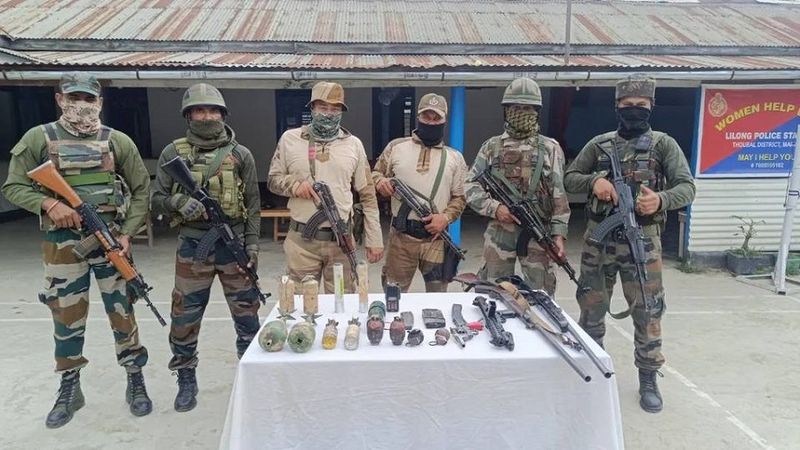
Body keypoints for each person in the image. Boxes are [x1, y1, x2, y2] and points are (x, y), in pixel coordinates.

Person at [1, 72, 152, 427]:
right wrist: (48, 204)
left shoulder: (117, 141)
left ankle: (135, 378)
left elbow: (141, 190)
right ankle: (70, 385)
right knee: (66, 315)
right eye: (74, 97)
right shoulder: (39, 137)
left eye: (88, 98)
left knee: (123, 311)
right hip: (62, 245)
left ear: (99, 102)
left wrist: (128, 233)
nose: (81, 105)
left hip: (110, 240)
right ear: (60, 99)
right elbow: (13, 186)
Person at [564, 74, 696, 413]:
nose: (634, 110)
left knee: (648, 311)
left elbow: (687, 187)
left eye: (641, 105)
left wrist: (661, 200)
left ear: (651, 106)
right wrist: (594, 182)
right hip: (600, 242)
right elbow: (569, 177)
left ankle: (648, 378)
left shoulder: (663, 145)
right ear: (617, 107)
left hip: (643, 243)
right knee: (591, 308)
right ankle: (593, 370)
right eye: (627, 104)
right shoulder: (599, 144)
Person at [151, 83, 261, 413]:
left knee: (247, 314)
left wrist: (253, 246)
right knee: (184, 315)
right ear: (188, 116)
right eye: (199, 110)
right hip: (193, 245)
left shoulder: (241, 154)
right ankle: (186, 377)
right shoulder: (172, 153)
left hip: (233, 243)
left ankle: (251, 377)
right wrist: (177, 202)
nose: (207, 116)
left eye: (213, 110)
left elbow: (253, 205)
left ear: (223, 114)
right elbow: (156, 199)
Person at [268, 81, 383, 293]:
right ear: (312, 108)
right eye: (323, 107)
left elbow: (367, 195)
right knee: (302, 304)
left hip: (341, 241)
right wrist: (294, 185)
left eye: (335, 109)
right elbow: (273, 180)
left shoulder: (354, 144)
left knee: (341, 303)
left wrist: (374, 239)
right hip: (301, 243)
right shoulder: (290, 139)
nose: (329, 113)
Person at [465, 77, 570, 295]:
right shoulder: (491, 147)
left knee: (541, 294)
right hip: (500, 231)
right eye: (516, 108)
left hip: (538, 229)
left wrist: (559, 235)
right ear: (506, 111)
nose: (522, 112)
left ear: (537, 112)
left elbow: (559, 196)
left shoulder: (550, 148)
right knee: (493, 290)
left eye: (527, 108)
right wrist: (495, 208)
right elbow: (470, 185)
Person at [372, 93, 468, 292]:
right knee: (393, 296)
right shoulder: (396, 147)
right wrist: (381, 182)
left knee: (437, 297)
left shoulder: (455, 157)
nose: (431, 122)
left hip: (436, 240)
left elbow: (460, 197)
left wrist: (445, 218)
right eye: (426, 116)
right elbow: (375, 173)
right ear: (418, 117)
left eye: (436, 118)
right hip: (401, 239)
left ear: (444, 121)